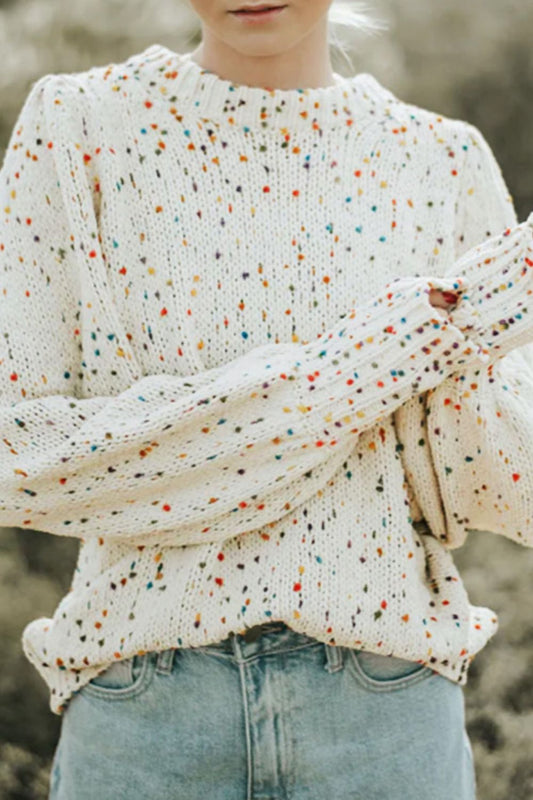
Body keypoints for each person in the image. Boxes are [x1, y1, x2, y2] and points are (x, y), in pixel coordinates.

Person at [1, 1, 532, 798]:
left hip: (384, 708)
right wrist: (379, 359)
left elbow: (511, 484)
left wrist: (458, 341)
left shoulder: (441, 161)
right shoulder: (79, 125)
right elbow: (19, 454)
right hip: (145, 712)